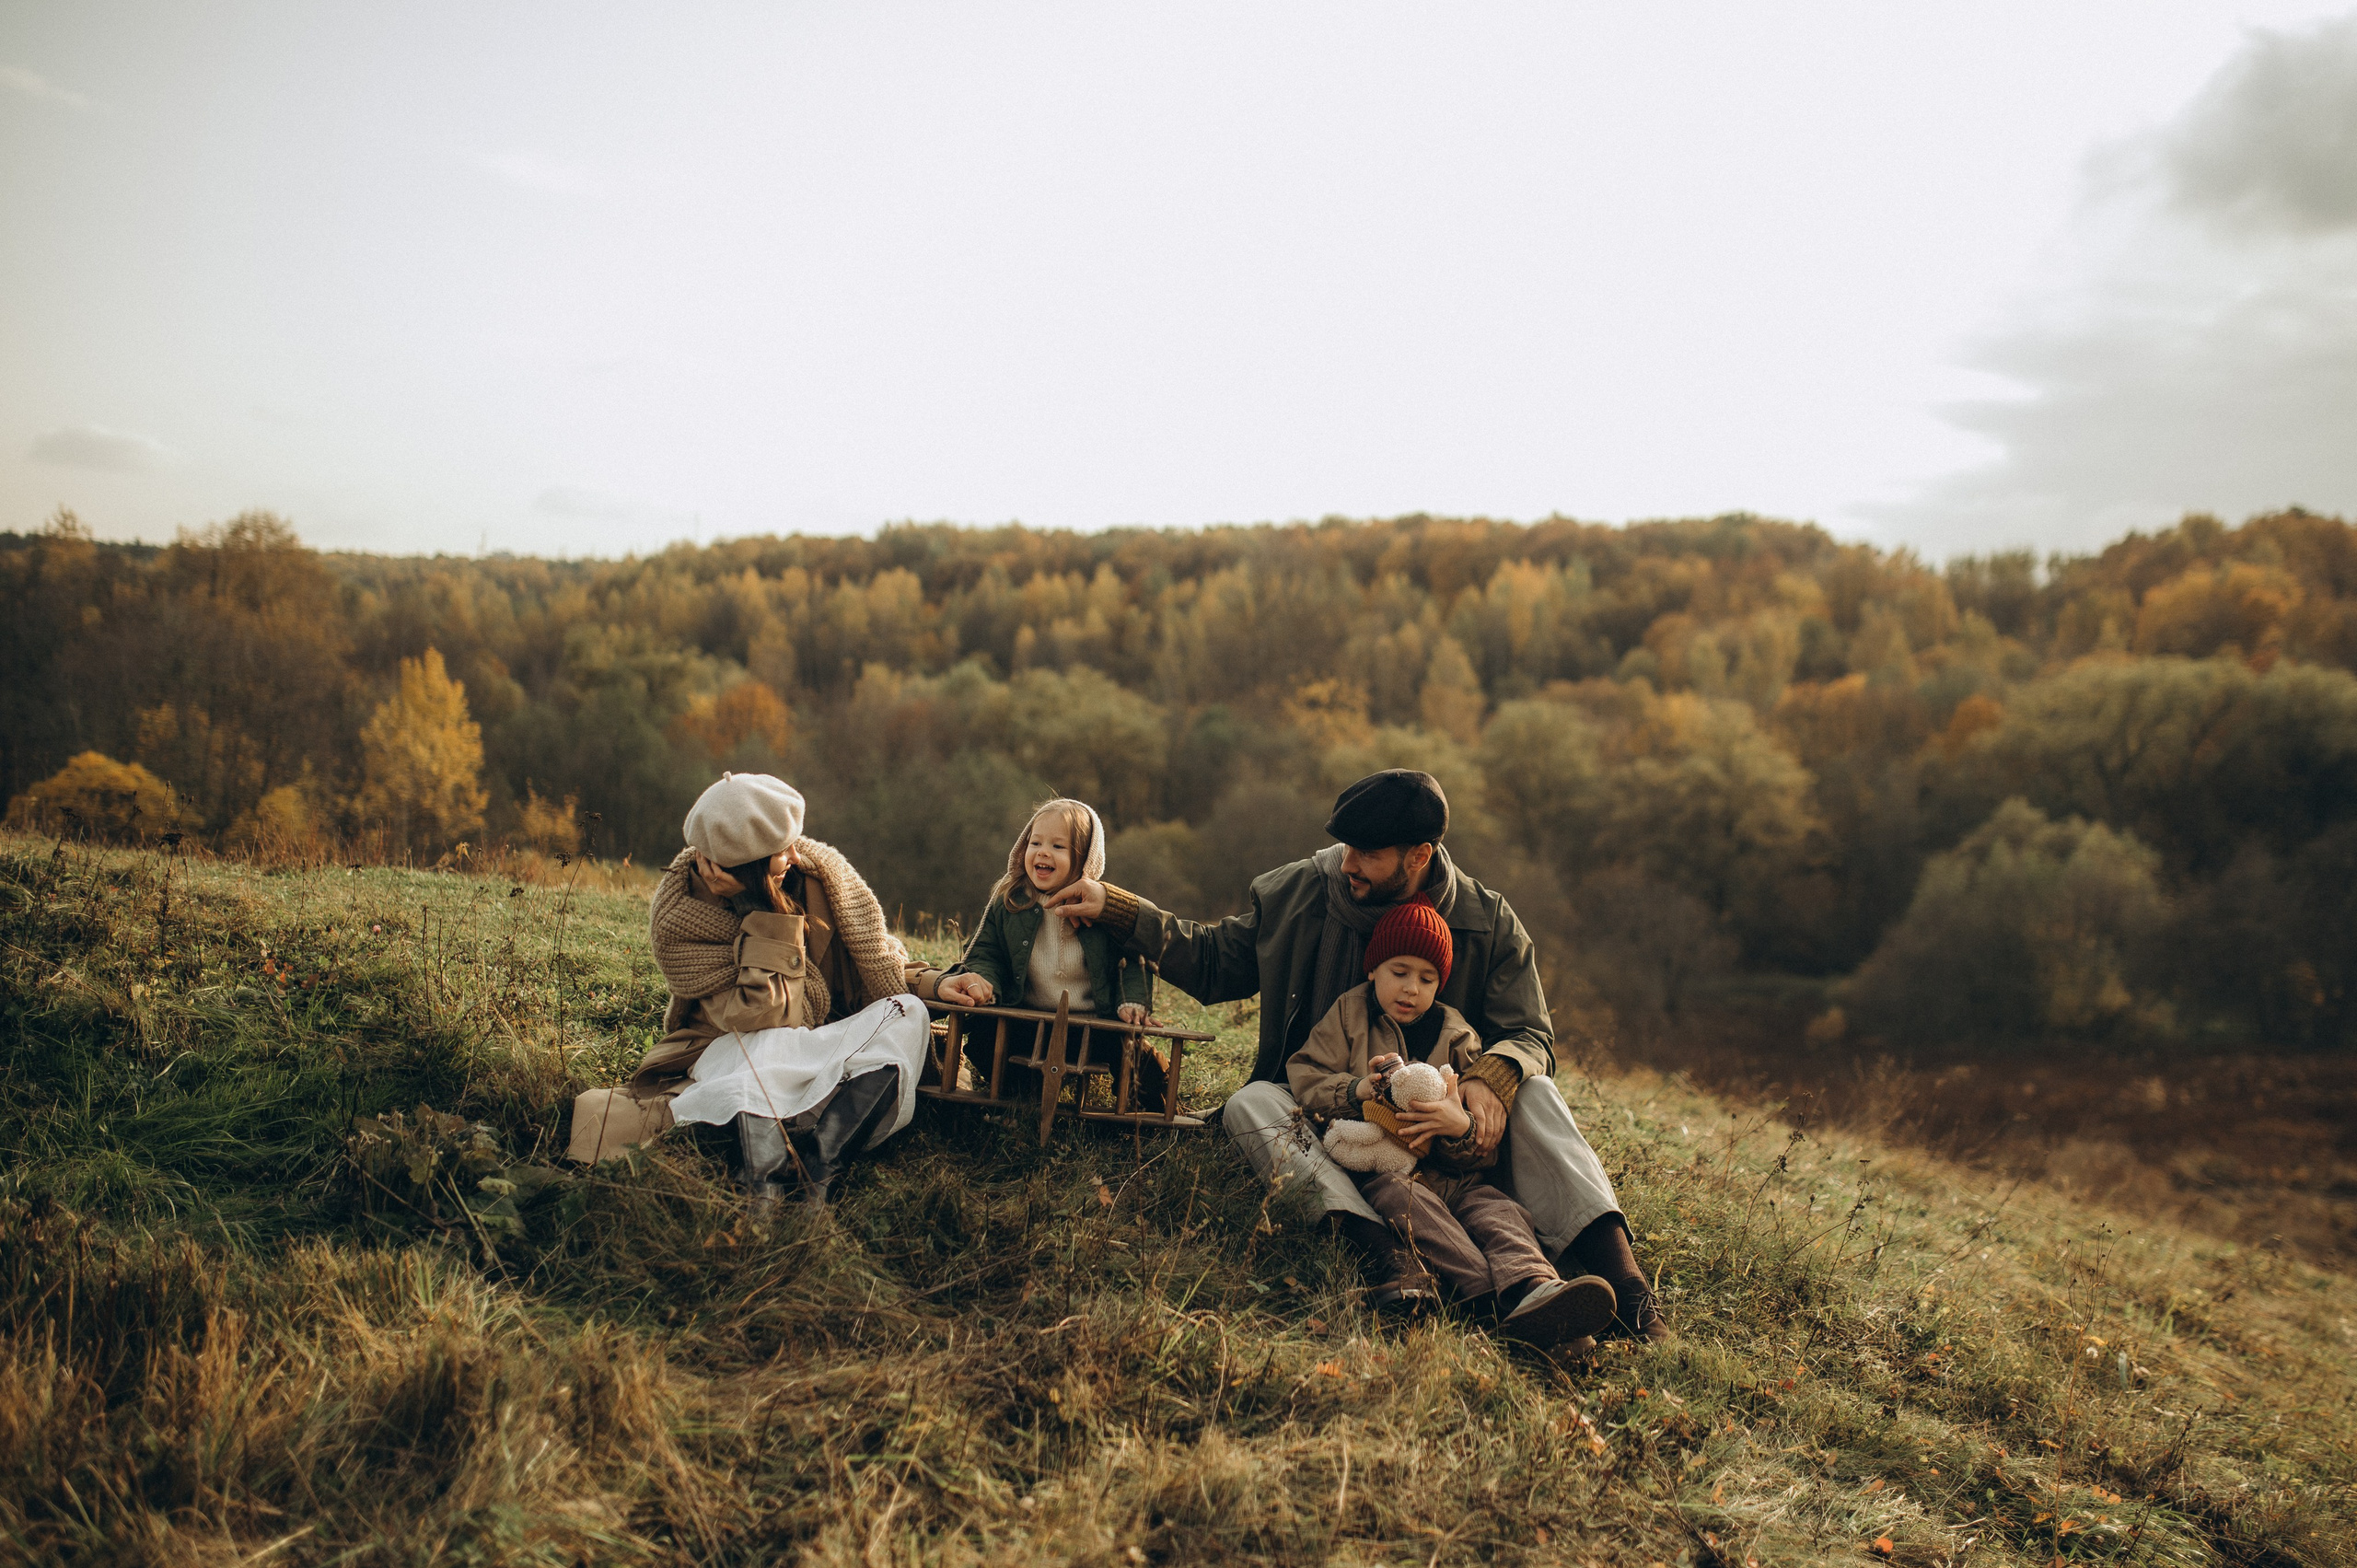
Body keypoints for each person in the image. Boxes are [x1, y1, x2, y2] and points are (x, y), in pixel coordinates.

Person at [1045, 768, 1666, 1339]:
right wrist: (1120, 910)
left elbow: (1531, 1033)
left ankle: (1627, 1289)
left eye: (1368, 852)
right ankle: (1385, 1255)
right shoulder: (1303, 893)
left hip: (1454, 1149)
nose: (1348, 863)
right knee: (1250, 1103)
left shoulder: (1488, 922)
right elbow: (1213, 963)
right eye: (1345, 846)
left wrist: (1493, 1075)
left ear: (1419, 855)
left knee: (1537, 1090)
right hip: (1324, 1125)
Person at [565, 772, 947, 1208]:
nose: (794, 854)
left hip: (814, 1038)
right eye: (779, 850)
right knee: (763, 1050)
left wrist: (936, 982)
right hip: (737, 1047)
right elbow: (766, 1012)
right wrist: (759, 909)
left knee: (907, 1013)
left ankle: (817, 1173)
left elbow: (875, 957)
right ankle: (759, 1186)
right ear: (743, 865)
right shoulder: (682, 919)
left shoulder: (819, 873)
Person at [1290, 896, 1620, 1347]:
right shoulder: (1350, 1014)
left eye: (1427, 979)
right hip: (1389, 1173)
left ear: (1440, 985)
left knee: (1500, 1213)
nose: (1411, 989)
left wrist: (1460, 1130)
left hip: (1457, 1175)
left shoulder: (1458, 1035)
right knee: (1420, 1214)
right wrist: (1355, 1090)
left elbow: (1484, 1141)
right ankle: (1491, 1302)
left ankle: (1536, 1288)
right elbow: (1306, 1075)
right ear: (1373, 970)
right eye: (1398, 972)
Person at [935, 798, 1155, 1084]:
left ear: (1085, 858)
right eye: (1035, 843)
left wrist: (1132, 1002)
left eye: (1058, 846)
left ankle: (1147, 1097)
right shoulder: (1009, 903)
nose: (1043, 853)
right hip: (1026, 1018)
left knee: (1133, 1053)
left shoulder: (1102, 907)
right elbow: (987, 953)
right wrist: (985, 983)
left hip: (1092, 1023)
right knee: (985, 1040)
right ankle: (1021, 1092)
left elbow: (1134, 959)